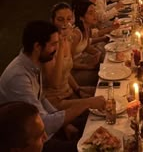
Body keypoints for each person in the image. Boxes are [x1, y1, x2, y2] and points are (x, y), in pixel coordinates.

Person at [0, 21, 105, 152]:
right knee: (97, 146)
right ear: (37, 46)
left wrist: (65, 124)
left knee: (97, 119)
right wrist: (86, 103)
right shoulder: (19, 77)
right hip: (35, 142)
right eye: (54, 44)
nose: (57, 49)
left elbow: (42, 99)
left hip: (44, 129)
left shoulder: (33, 64)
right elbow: (45, 124)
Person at [43, 3, 96, 111]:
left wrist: (78, 90)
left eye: (69, 19)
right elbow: (55, 84)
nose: (65, 24)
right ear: (52, 21)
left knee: (105, 90)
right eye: (60, 19)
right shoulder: (49, 47)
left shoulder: (69, 40)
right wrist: (61, 46)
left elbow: (66, 73)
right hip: (55, 101)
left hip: (69, 92)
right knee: (96, 103)